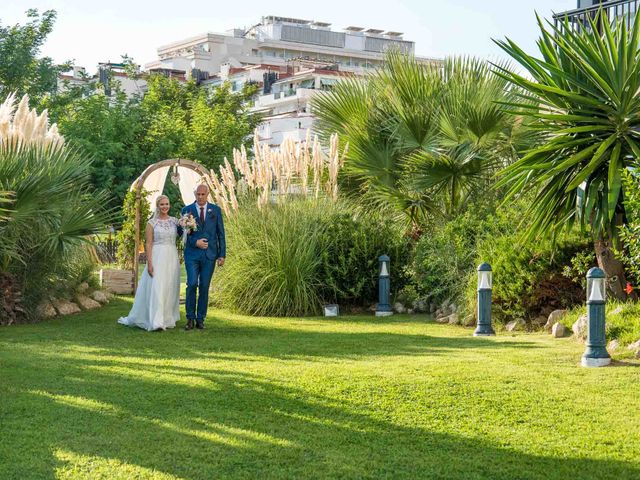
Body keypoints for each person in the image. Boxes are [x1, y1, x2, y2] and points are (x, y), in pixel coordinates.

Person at [118, 195, 180, 331]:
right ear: (158, 206)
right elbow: (149, 243)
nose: (165, 207)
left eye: (167, 204)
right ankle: (156, 320)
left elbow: (186, 234)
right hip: (157, 256)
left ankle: (167, 318)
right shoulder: (152, 223)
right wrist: (150, 263)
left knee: (169, 287)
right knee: (157, 286)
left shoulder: (175, 221)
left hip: (172, 256)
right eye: (162, 204)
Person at [182, 184, 226, 330]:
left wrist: (222, 254)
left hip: (210, 255)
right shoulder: (186, 210)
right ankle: (190, 318)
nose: (200, 197)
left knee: (204, 286)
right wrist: (196, 242)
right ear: (195, 194)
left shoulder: (216, 210)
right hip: (192, 255)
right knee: (192, 283)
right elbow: (181, 234)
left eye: (203, 194)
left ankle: (200, 319)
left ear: (207, 194)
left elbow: (221, 234)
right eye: (198, 194)